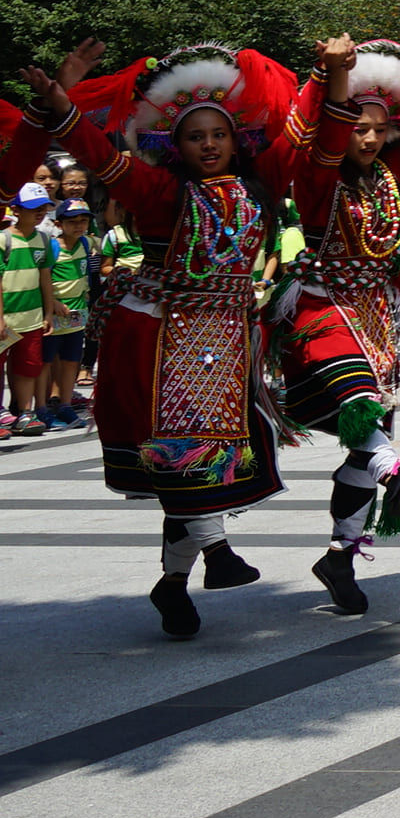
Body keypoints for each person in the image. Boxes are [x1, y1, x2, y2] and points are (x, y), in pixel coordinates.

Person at [22, 40, 301, 638]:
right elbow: (98, 155)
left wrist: (331, 78)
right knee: (181, 446)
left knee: (206, 460)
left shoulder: (260, 186)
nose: (208, 144)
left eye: (218, 134)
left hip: (225, 340)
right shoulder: (159, 194)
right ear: (175, 145)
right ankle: (219, 552)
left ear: (235, 140)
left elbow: (304, 136)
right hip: (160, 337)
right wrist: (60, 101)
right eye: (195, 136)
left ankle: (173, 582)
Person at [280, 38, 400, 614]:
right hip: (321, 307)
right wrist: (334, 75)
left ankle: (341, 554)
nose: (370, 137)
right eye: (359, 127)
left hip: (377, 317)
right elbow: (327, 136)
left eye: (380, 128)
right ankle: (394, 470)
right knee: (359, 408)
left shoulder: (387, 175)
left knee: (363, 442)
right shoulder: (317, 174)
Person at [3, 184, 52, 435]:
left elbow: (45, 277)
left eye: (43, 208)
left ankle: (25, 412)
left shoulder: (43, 239)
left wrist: (48, 312)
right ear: (17, 209)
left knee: (28, 365)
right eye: (33, 208)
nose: (40, 213)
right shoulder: (4, 238)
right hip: (5, 318)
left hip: (32, 317)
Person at [45, 198, 98, 427]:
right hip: (56, 313)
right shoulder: (53, 247)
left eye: (83, 221)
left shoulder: (85, 244)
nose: (78, 225)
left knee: (70, 360)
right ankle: (47, 402)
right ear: (59, 224)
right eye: (72, 221)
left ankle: (65, 404)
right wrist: (52, 302)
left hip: (78, 313)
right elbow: (44, 278)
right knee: (48, 360)